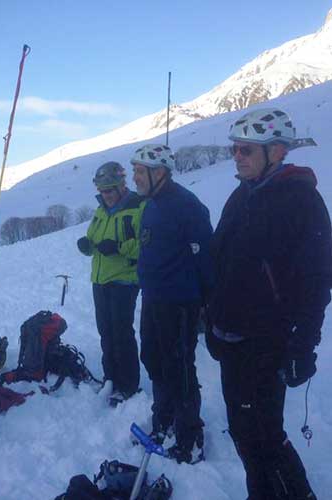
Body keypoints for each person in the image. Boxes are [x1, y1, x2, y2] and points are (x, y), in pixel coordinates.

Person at [207, 108, 332, 499]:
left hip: (267, 342)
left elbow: (318, 280)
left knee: (265, 436)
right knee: (243, 432)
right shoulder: (240, 195)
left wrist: (303, 344)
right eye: (235, 150)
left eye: (247, 150)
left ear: (276, 151)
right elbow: (219, 261)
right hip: (232, 338)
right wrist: (210, 319)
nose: (238, 157)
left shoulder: (301, 201)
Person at [131, 144, 213, 464]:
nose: (135, 178)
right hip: (153, 298)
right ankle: (163, 421)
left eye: (140, 172)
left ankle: (190, 436)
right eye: (135, 170)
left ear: (159, 172)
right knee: (153, 358)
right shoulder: (151, 204)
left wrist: (207, 303)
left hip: (179, 302)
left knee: (179, 368)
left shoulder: (186, 205)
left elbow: (207, 257)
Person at [76, 161, 145, 406]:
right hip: (100, 280)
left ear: (121, 186)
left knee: (122, 333)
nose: (107, 196)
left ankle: (127, 385)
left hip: (124, 280)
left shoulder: (138, 207)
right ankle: (111, 378)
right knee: (106, 331)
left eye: (111, 190)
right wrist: (87, 245)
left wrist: (119, 248)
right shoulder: (101, 211)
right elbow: (94, 240)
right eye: (103, 191)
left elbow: (146, 246)